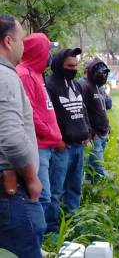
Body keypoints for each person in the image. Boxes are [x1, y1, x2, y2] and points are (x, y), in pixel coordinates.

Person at [0, 14, 46, 258]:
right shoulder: (6, 76)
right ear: (8, 41)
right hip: (12, 193)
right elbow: (10, 137)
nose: (23, 47)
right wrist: (30, 178)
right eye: (21, 41)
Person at [17, 33, 66, 215]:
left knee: (49, 194)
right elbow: (29, 114)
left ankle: (48, 236)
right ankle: (38, 239)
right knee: (41, 195)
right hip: (39, 146)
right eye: (48, 50)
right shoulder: (25, 75)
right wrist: (50, 134)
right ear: (39, 51)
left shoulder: (36, 74)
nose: (50, 56)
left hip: (47, 145)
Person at [45, 48, 91, 233]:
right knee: (55, 192)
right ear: (59, 65)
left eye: (76, 65)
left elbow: (82, 109)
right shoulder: (49, 85)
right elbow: (50, 116)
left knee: (74, 188)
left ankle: (73, 223)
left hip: (79, 146)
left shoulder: (76, 85)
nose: (74, 69)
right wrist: (58, 140)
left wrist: (86, 132)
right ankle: (52, 230)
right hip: (61, 148)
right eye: (70, 66)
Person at [79, 57, 111, 178]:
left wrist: (107, 126)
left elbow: (104, 107)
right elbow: (81, 111)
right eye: (100, 72)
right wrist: (90, 133)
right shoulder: (83, 85)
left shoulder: (99, 87)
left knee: (92, 169)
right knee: (99, 170)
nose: (102, 75)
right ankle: (100, 195)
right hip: (94, 136)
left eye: (104, 73)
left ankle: (91, 193)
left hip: (103, 134)